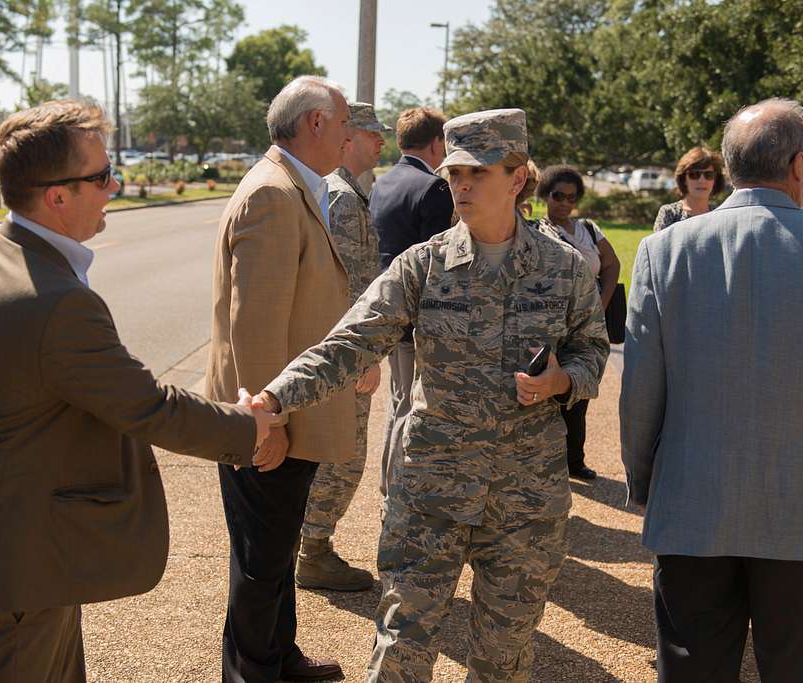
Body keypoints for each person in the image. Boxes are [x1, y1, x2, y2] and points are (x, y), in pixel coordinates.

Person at [0, 100, 275, 683]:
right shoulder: (58, 301)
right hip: (11, 555)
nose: (115, 185)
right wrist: (248, 427)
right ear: (57, 196)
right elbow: (147, 406)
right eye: (101, 176)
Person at [255, 109, 609, 682]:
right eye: (453, 174)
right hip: (432, 491)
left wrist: (562, 381)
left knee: (504, 659)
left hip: (524, 502)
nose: (461, 186)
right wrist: (275, 399)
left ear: (517, 179)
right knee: (401, 651)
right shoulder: (424, 265)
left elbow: (592, 350)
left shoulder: (564, 269)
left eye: (477, 173)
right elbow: (348, 344)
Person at [621, 98, 803, 683]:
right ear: (795, 166)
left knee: (692, 670)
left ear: (731, 168)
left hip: (691, 501)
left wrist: (644, 481)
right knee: (792, 668)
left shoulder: (665, 251)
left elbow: (640, 389)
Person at [203, 75, 353, 683]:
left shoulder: (291, 186)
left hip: (280, 409)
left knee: (273, 552)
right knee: (261, 561)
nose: (348, 136)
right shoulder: (272, 193)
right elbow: (255, 326)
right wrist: (266, 422)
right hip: (267, 416)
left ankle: (277, 659)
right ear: (315, 123)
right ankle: (252, 672)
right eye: (344, 124)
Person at [296, 102, 391, 592]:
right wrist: (365, 358)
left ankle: (307, 547)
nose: (381, 141)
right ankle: (312, 551)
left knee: (334, 454)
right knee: (343, 457)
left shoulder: (344, 193)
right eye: (373, 133)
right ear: (347, 138)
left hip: (331, 351)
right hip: (343, 355)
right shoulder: (343, 198)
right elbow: (350, 289)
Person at [369, 106, 455, 515]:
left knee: (398, 400)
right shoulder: (433, 188)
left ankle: (389, 484)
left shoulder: (382, 183)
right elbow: (434, 262)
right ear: (437, 142)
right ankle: (395, 491)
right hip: (418, 315)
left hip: (387, 309)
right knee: (411, 404)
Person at [534, 165, 620, 482]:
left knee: (581, 392)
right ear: (546, 195)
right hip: (556, 324)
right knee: (552, 393)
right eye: (558, 195)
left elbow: (611, 264)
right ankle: (548, 462)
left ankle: (575, 460)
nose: (565, 203)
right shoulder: (537, 229)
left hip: (589, 322)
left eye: (571, 197)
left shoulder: (589, 228)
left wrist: (602, 302)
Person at [653, 146, 726, 231]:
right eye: (694, 174)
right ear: (683, 179)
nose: (702, 180)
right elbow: (658, 244)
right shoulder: (670, 213)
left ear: (715, 180)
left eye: (708, 175)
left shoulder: (719, 214)